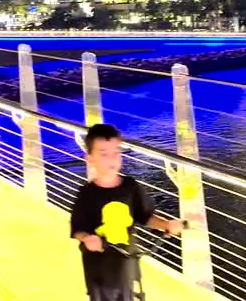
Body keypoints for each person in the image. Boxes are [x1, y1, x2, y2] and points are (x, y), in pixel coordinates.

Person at [69, 124, 182, 301]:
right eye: (104, 154)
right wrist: (87, 238)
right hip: (99, 267)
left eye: (116, 152)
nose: (111, 159)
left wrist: (166, 224)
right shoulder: (87, 194)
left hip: (127, 262)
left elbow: (145, 215)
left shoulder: (130, 187)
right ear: (90, 159)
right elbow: (78, 228)